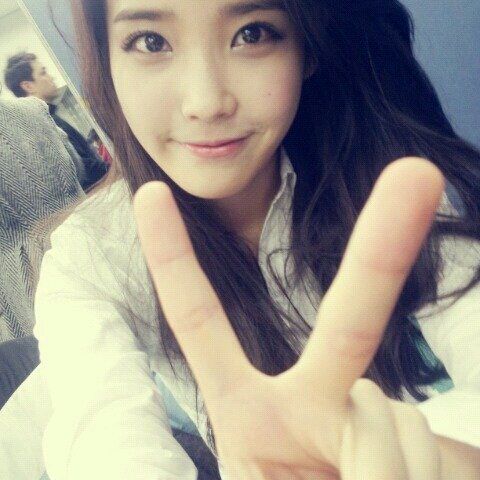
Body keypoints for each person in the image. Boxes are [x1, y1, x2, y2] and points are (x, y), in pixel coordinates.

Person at [27, 0, 480, 479]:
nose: (206, 103)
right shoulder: (90, 255)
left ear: (307, 49)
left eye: (253, 34)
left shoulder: (380, 180)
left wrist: (436, 460)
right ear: (107, 63)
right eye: (151, 42)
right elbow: (103, 440)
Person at [0, 95, 85, 343]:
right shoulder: (32, 108)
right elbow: (78, 167)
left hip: (21, 281)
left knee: (64, 353)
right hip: (84, 234)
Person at [3, 52, 109, 191]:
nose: (50, 77)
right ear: (28, 86)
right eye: (43, 73)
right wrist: (116, 169)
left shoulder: (46, 120)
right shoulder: (44, 125)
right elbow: (85, 172)